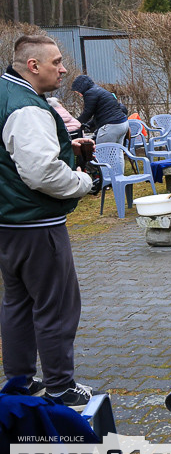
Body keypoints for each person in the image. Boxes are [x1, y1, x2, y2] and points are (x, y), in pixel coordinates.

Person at [1, 34, 100, 410]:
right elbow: (41, 172)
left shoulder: (6, 93)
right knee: (56, 306)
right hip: (35, 224)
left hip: (8, 223)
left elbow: (12, 152)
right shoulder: (27, 107)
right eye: (56, 62)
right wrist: (83, 182)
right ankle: (60, 387)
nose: (63, 69)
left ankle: (20, 382)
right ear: (33, 65)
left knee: (17, 303)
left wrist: (62, 147)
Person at [70, 74, 128, 144]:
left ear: (81, 88)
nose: (79, 94)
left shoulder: (90, 93)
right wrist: (89, 124)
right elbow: (101, 114)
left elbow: (87, 113)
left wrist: (75, 123)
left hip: (111, 126)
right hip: (122, 124)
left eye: (78, 91)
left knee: (101, 149)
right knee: (116, 149)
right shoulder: (98, 90)